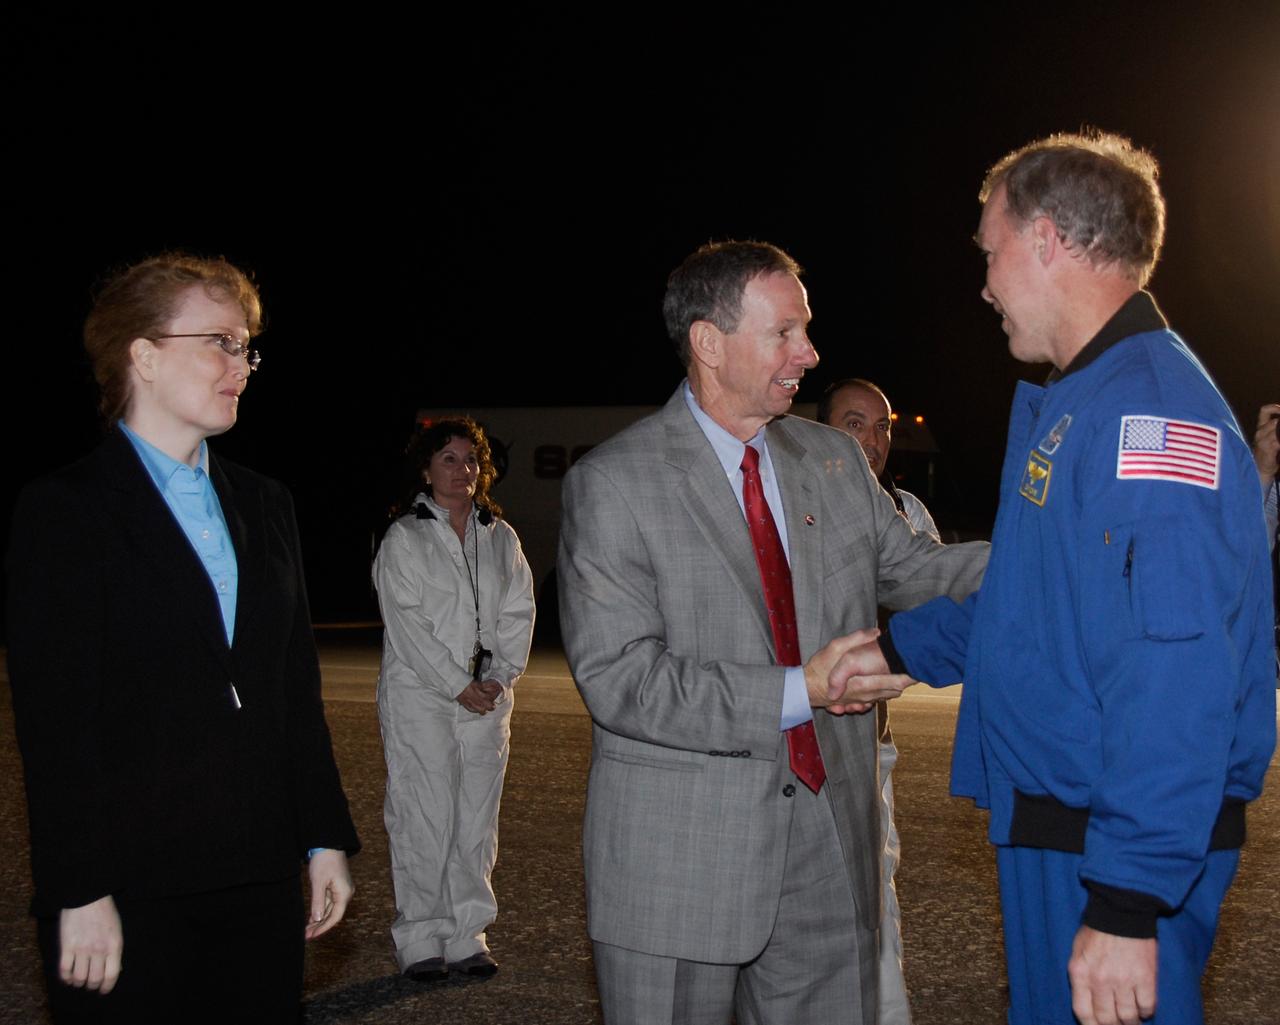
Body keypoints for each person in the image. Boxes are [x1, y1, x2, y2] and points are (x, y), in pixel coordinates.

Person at [863, 132, 1277, 1025]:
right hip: (1078, 823)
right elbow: (1038, 601)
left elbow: (1175, 669)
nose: (984, 281)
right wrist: (901, 646)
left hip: (1115, 842)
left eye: (990, 248)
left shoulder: (1148, 415)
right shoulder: (1090, 398)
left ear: (1047, 240)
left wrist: (1128, 899)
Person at [557, 240, 988, 1024]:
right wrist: (803, 689)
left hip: (830, 838)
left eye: (808, 330)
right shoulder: (614, 483)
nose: (810, 353)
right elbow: (623, 680)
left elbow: (918, 569)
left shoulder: (831, 459)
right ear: (709, 343)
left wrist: (1055, 555)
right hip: (680, 862)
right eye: (785, 333)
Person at [6, 253, 360, 1024]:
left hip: (258, 877)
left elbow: (292, 690)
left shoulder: (266, 504)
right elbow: (56, 727)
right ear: (143, 354)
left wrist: (323, 837)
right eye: (222, 342)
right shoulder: (66, 510)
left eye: (248, 347)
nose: (243, 365)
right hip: (132, 883)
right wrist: (80, 889)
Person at [372, 417, 535, 982]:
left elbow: (518, 611)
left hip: (487, 701)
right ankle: (420, 937)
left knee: (475, 820)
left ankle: (467, 933)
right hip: (423, 697)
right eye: (448, 458)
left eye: (470, 460)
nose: (461, 469)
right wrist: (455, 683)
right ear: (426, 469)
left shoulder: (501, 537)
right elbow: (407, 627)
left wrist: (500, 675)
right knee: (425, 814)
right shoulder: (406, 537)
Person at [817, 377, 939, 1025]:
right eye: (855, 422)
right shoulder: (776, 500)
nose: (872, 439)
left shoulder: (907, 515)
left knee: (872, 885)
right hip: (778, 739)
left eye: (883, 426)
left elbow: (939, 615)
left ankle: (884, 1012)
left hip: (866, 743)